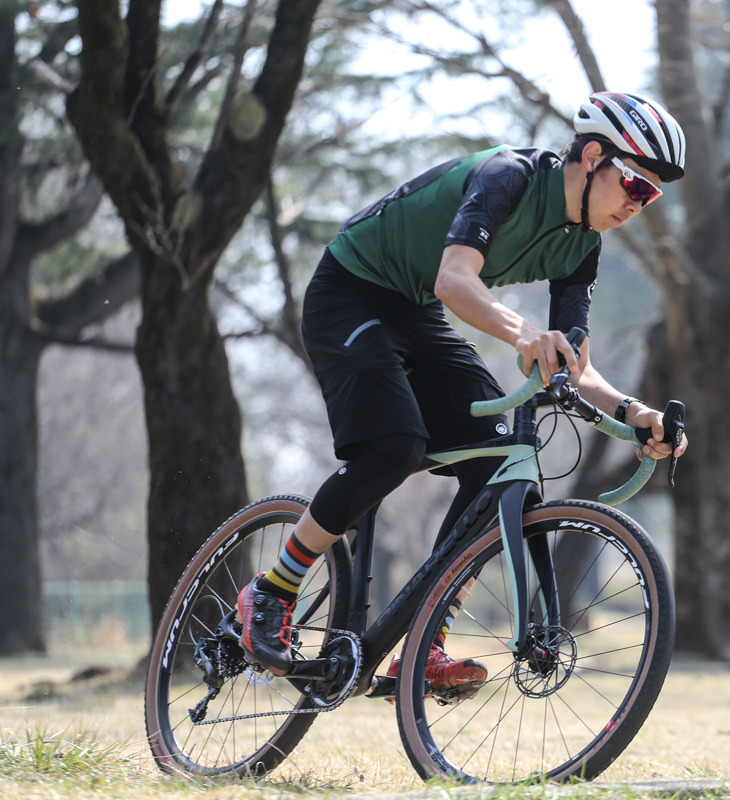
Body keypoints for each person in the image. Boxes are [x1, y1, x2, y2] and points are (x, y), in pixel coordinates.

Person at [236, 91, 690, 689]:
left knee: (496, 459)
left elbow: (575, 364)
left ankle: (425, 643)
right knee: (393, 447)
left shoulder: (582, 247)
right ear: (594, 155)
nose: (640, 204)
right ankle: (272, 592)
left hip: (417, 312)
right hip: (351, 290)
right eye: (636, 184)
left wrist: (636, 415)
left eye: (652, 195)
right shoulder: (509, 176)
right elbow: (455, 279)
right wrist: (528, 334)